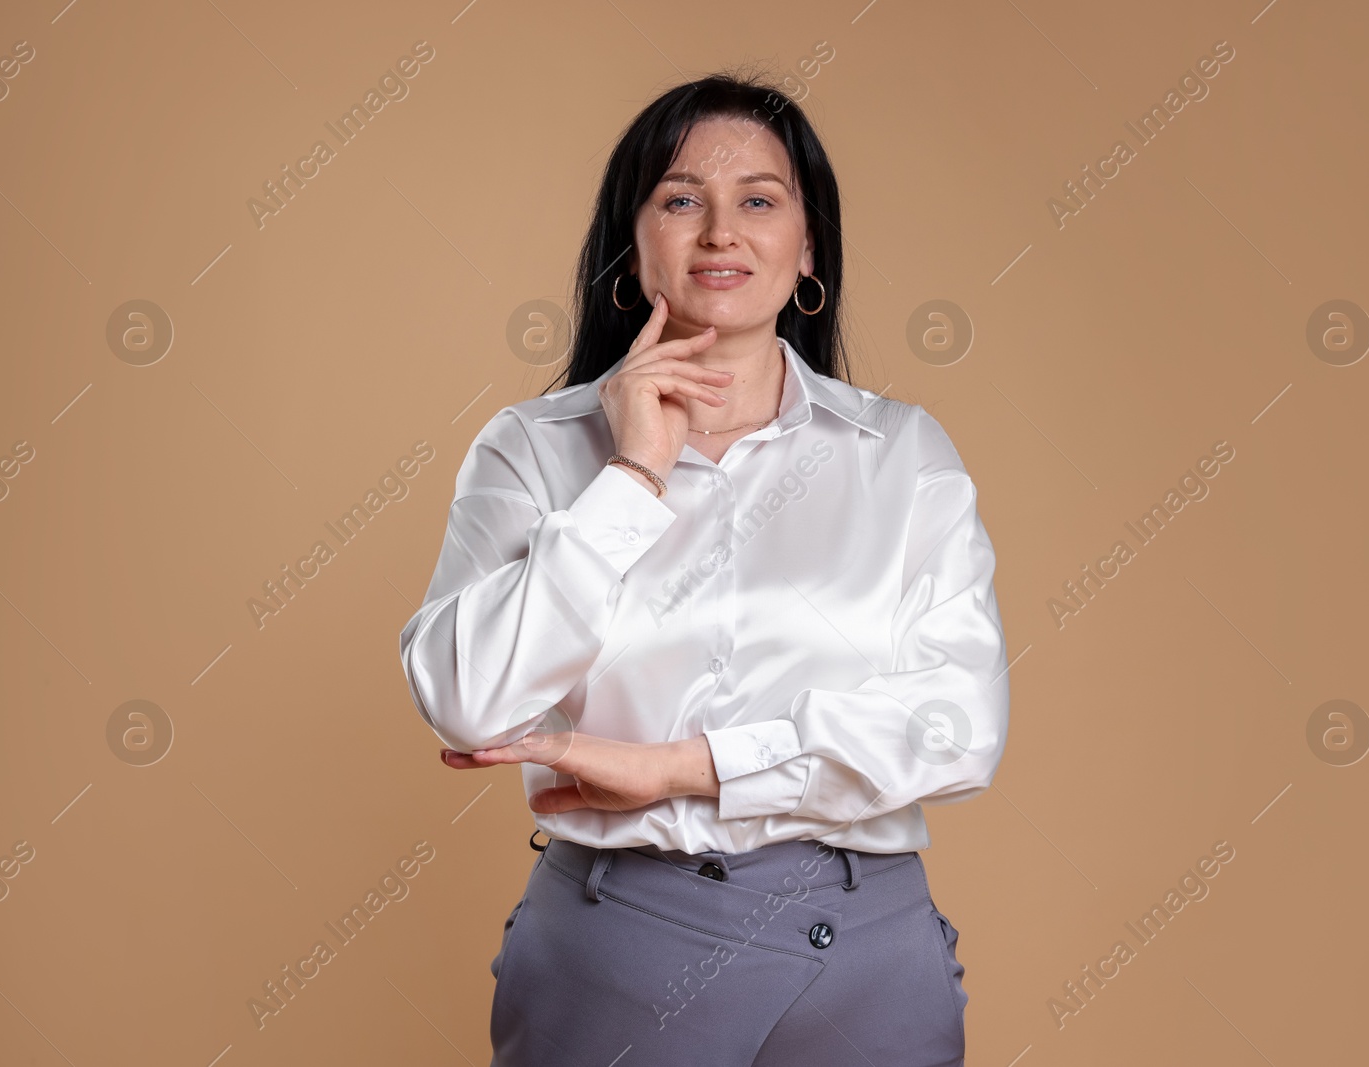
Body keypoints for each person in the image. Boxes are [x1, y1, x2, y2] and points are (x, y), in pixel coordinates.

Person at [398, 72, 1009, 1067]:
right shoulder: (533, 450)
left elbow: (957, 728)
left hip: (864, 963)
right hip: (615, 953)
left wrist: (681, 768)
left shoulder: (901, 455)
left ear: (806, 247)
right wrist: (631, 473)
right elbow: (467, 699)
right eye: (682, 199)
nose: (721, 230)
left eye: (759, 200)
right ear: (633, 245)